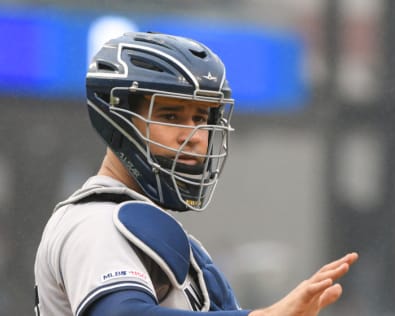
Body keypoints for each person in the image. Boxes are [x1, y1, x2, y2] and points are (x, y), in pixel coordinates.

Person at [34, 31, 358, 316]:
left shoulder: (146, 226)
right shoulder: (95, 221)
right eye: (171, 115)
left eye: (202, 118)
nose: (196, 137)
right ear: (120, 119)